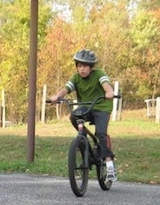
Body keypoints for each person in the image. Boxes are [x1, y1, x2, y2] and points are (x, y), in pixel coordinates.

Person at [50, 49, 117, 181]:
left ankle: (109, 166)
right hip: (86, 106)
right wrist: (57, 96)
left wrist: (109, 92)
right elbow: (66, 89)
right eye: (79, 66)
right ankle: (83, 139)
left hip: (101, 107)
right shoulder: (76, 78)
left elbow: (106, 86)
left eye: (85, 66)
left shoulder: (99, 74)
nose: (82, 69)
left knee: (101, 134)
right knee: (74, 117)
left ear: (91, 67)